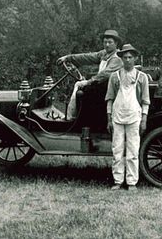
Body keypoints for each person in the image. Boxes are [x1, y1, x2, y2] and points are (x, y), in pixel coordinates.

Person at [105, 44, 150, 191]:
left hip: (134, 116)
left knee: (132, 150)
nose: (128, 60)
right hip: (117, 116)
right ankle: (117, 181)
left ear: (135, 58)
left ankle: (131, 182)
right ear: (121, 59)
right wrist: (109, 118)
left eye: (130, 57)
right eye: (125, 57)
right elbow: (110, 98)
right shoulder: (115, 76)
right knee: (117, 150)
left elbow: (145, 101)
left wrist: (144, 119)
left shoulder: (141, 77)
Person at [57, 30, 123, 120]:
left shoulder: (117, 58)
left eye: (110, 42)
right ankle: (73, 118)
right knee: (80, 87)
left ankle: (74, 119)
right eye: (105, 42)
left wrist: (88, 82)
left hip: (109, 89)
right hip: (102, 86)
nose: (107, 45)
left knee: (81, 90)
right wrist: (68, 58)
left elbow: (105, 74)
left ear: (116, 43)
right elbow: (87, 57)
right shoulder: (104, 54)